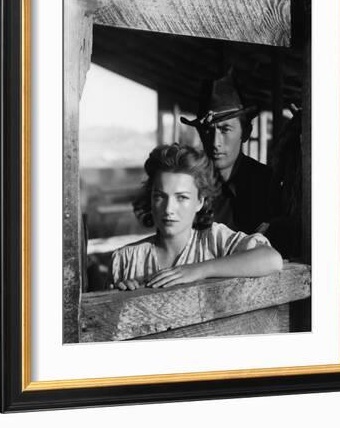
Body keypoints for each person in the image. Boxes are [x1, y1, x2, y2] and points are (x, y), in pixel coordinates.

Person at [109, 143, 282, 290]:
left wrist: (198, 270)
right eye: (160, 196)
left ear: (200, 201)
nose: (169, 209)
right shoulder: (125, 259)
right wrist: (120, 293)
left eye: (182, 197)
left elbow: (271, 260)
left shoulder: (215, 240)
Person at [180, 75, 274, 234]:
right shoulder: (190, 184)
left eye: (225, 130)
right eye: (208, 130)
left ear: (245, 133)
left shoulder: (266, 182)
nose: (215, 142)